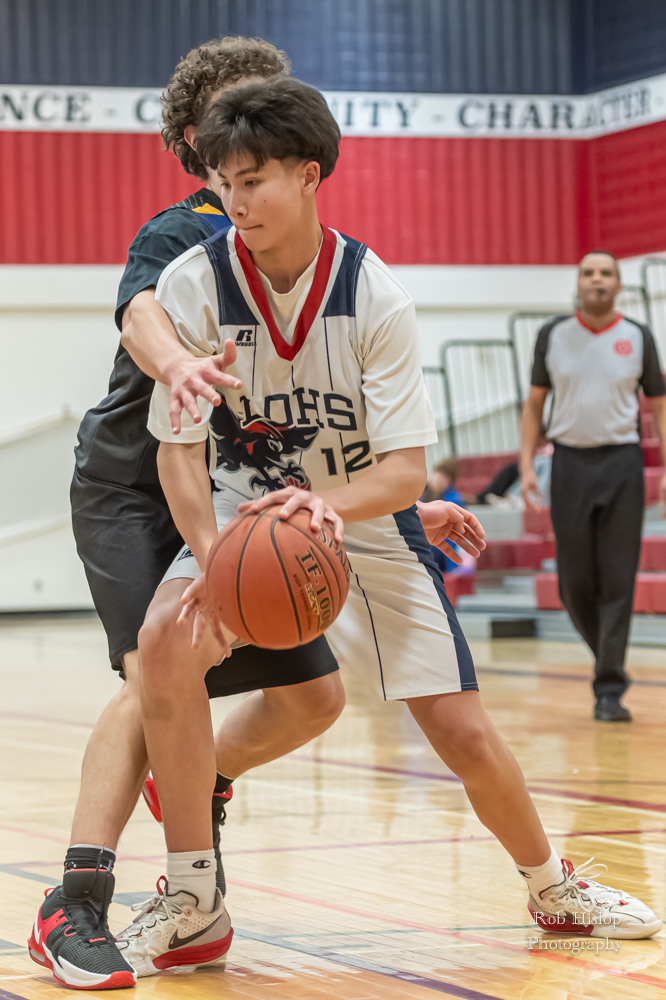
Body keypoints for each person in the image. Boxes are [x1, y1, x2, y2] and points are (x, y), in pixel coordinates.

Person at [109, 79, 659, 983]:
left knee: (462, 732)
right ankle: (194, 899)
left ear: (308, 174)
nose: (236, 201)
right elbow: (178, 455)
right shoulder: (191, 283)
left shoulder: (375, 295)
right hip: (246, 515)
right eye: (226, 182)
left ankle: (552, 886)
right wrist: (213, 561)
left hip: (362, 517)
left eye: (254, 180)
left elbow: (405, 473)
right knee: (165, 639)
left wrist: (330, 505)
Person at [30, 38, 486, 991]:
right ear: (196, 143)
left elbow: (308, 416)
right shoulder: (185, 233)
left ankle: (196, 783)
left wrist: (406, 505)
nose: (252, 139)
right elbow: (140, 316)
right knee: (155, 670)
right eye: (232, 126)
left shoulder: (305, 252)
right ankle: (73, 902)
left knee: (314, 699)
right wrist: (177, 363)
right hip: (137, 486)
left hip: (240, 492)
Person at [520, 251, 666, 722]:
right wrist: (525, 465)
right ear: (578, 284)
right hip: (569, 465)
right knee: (573, 585)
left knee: (619, 580)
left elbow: (660, 406)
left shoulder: (638, 336)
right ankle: (607, 656)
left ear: (618, 285)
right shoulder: (553, 335)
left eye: (606, 273)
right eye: (588, 273)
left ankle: (609, 687)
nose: (597, 279)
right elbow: (534, 405)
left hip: (622, 464)